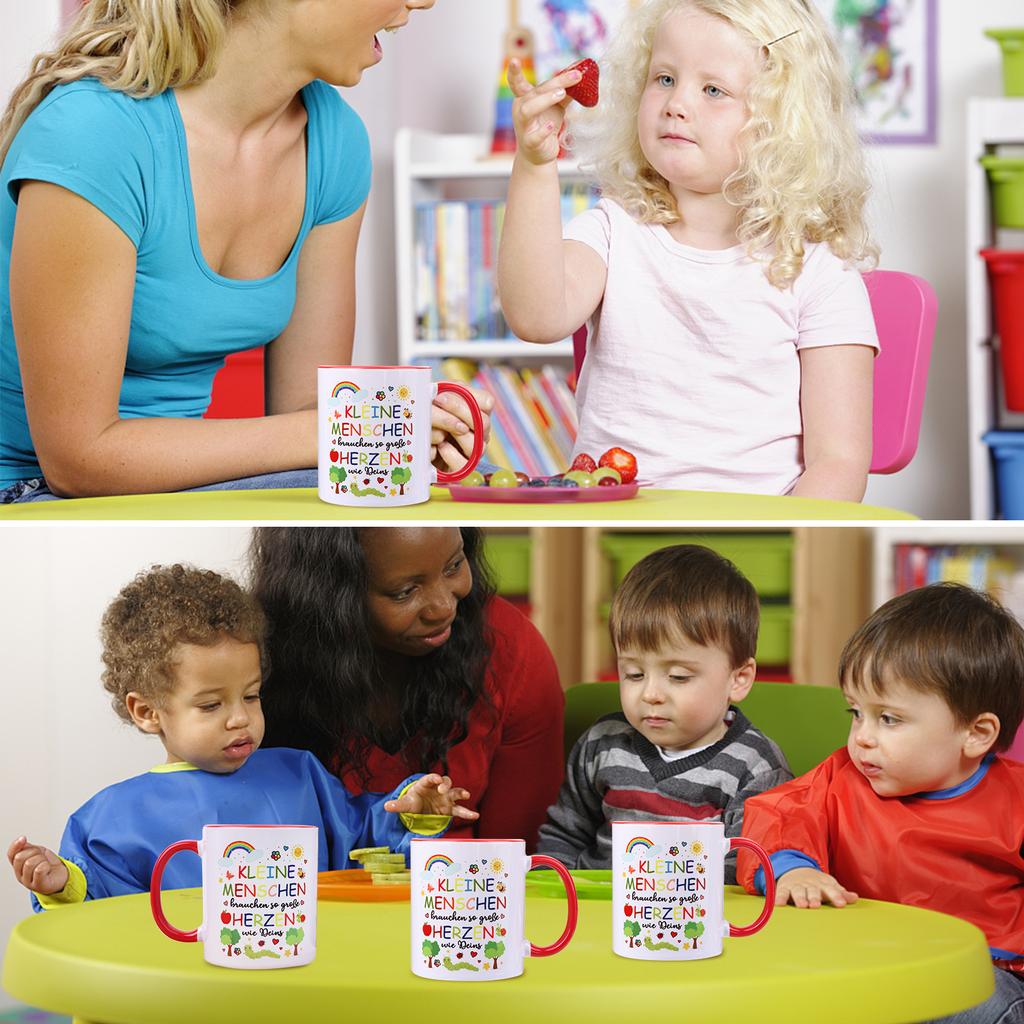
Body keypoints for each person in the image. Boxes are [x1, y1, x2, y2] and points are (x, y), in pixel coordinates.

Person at [0, 0, 491, 503]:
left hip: (174, 488)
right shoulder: (94, 134)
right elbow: (78, 462)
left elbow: (304, 414)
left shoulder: (334, 140)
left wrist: (388, 437)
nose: (423, 1)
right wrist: (353, 430)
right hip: (29, 491)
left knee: (453, 481)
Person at [498, 0, 878, 500]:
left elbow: (839, 463)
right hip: (617, 526)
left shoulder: (820, 272)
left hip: (753, 534)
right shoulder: (613, 231)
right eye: (664, 79)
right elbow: (535, 316)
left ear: (782, 122)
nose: (677, 103)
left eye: (714, 89)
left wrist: (781, 542)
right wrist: (534, 165)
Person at [7, 563, 477, 909]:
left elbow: (362, 842)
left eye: (250, 696)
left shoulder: (300, 775)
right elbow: (99, 908)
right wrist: (57, 883)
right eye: (212, 705)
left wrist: (412, 812)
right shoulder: (110, 820)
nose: (239, 719)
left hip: (298, 981)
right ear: (147, 712)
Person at [737, 583, 1024, 1024]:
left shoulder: (1015, 798)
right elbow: (778, 813)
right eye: (856, 713)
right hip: (866, 965)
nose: (863, 737)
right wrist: (792, 868)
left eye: (888, 719)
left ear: (976, 734)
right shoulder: (841, 780)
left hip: (982, 971)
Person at [248, 526, 565, 850]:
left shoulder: (509, 647)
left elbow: (522, 855)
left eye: (454, 565)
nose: (443, 607)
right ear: (327, 597)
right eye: (404, 592)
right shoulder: (254, 665)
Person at [536, 544, 792, 882]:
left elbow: (744, 875)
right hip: (593, 917)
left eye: (678, 677)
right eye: (634, 674)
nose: (651, 694)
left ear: (738, 679)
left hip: (689, 921)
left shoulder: (756, 766)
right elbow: (563, 839)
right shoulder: (602, 743)